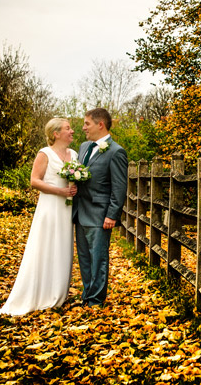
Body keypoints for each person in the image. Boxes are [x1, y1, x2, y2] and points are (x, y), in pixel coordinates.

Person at [0, 118, 78, 316]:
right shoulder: (45, 154)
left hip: (67, 209)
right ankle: (38, 293)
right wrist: (60, 192)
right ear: (56, 133)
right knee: (45, 247)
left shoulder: (74, 155)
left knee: (62, 247)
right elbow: (34, 181)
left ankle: (58, 294)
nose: (72, 131)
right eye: (68, 128)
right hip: (50, 207)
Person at [72, 108, 127, 307]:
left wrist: (112, 214)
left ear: (100, 124)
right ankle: (87, 295)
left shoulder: (116, 151)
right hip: (80, 211)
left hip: (100, 213)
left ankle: (96, 300)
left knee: (98, 259)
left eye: (87, 123)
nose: (83, 127)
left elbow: (119, 187)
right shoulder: (84, 147)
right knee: (85, 258)